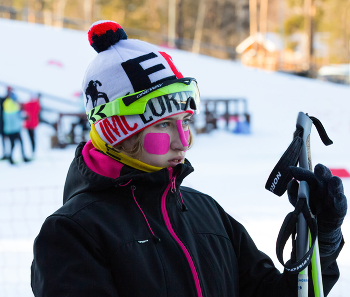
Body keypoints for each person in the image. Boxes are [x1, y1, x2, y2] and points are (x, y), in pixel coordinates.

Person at [31, 21, 347, 297]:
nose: (183, 140)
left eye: (184, 121)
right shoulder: (72, 234)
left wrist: (323, 237)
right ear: (119, 132)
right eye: (163, 124)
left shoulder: (206, 212)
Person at [2, 89, 29, 164]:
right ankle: (21, 157)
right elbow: (15, 116)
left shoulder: (8, 104)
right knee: (17, 143)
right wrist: (23, 117)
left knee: (14, 144)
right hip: (14, 129)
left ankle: (12, 158)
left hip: (11, 129)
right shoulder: (11, 104)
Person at [0, 86, 11, 160]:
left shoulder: (9, 100)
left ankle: (9, 154)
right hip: (2, 123)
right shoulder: (2, 100)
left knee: (9, 139)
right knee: (4, 139)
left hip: (8, 124)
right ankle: (5, 153)